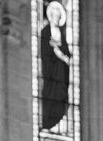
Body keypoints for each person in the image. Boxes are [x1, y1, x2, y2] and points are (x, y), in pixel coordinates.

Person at [40, 1, 71, 130]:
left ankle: (59, 116)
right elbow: (43, 49)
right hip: (49, 69)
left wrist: (62, 55)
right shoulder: (46, 30)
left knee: (60, 93)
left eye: (58, 15)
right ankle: (47, 120)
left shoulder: (61, 33)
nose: (55, 17)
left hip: (60, 71)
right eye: (53, 15)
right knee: (49, 92)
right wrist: (54, 52)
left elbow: (67, 52)